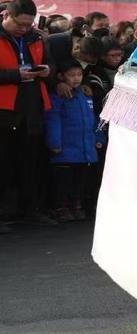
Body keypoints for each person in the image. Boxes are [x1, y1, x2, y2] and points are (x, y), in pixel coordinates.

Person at [0, 0, 55, 230]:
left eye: (28, 25)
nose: (24, 29)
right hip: (4, 109)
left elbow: (52, 67)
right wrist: (15, 76)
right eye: (19, 24)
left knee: (30, 162)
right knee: (3, 163)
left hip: (32, 107)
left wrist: (47, 71)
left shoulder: (37, 38)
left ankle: (30, 210)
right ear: (6, 16)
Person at [44, 59, 105, 222]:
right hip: (65, 149)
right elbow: (53, 120)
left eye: (79, 74)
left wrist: (98, 137)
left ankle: (76, 206)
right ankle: (62, 208)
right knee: (64, 181)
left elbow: (93, 119)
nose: (76, 78)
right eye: (72, 75)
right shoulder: (58, 97)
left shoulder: (85, 95)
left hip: (85, 149)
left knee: (80, 181)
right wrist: (54, 143)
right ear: (61, 77)